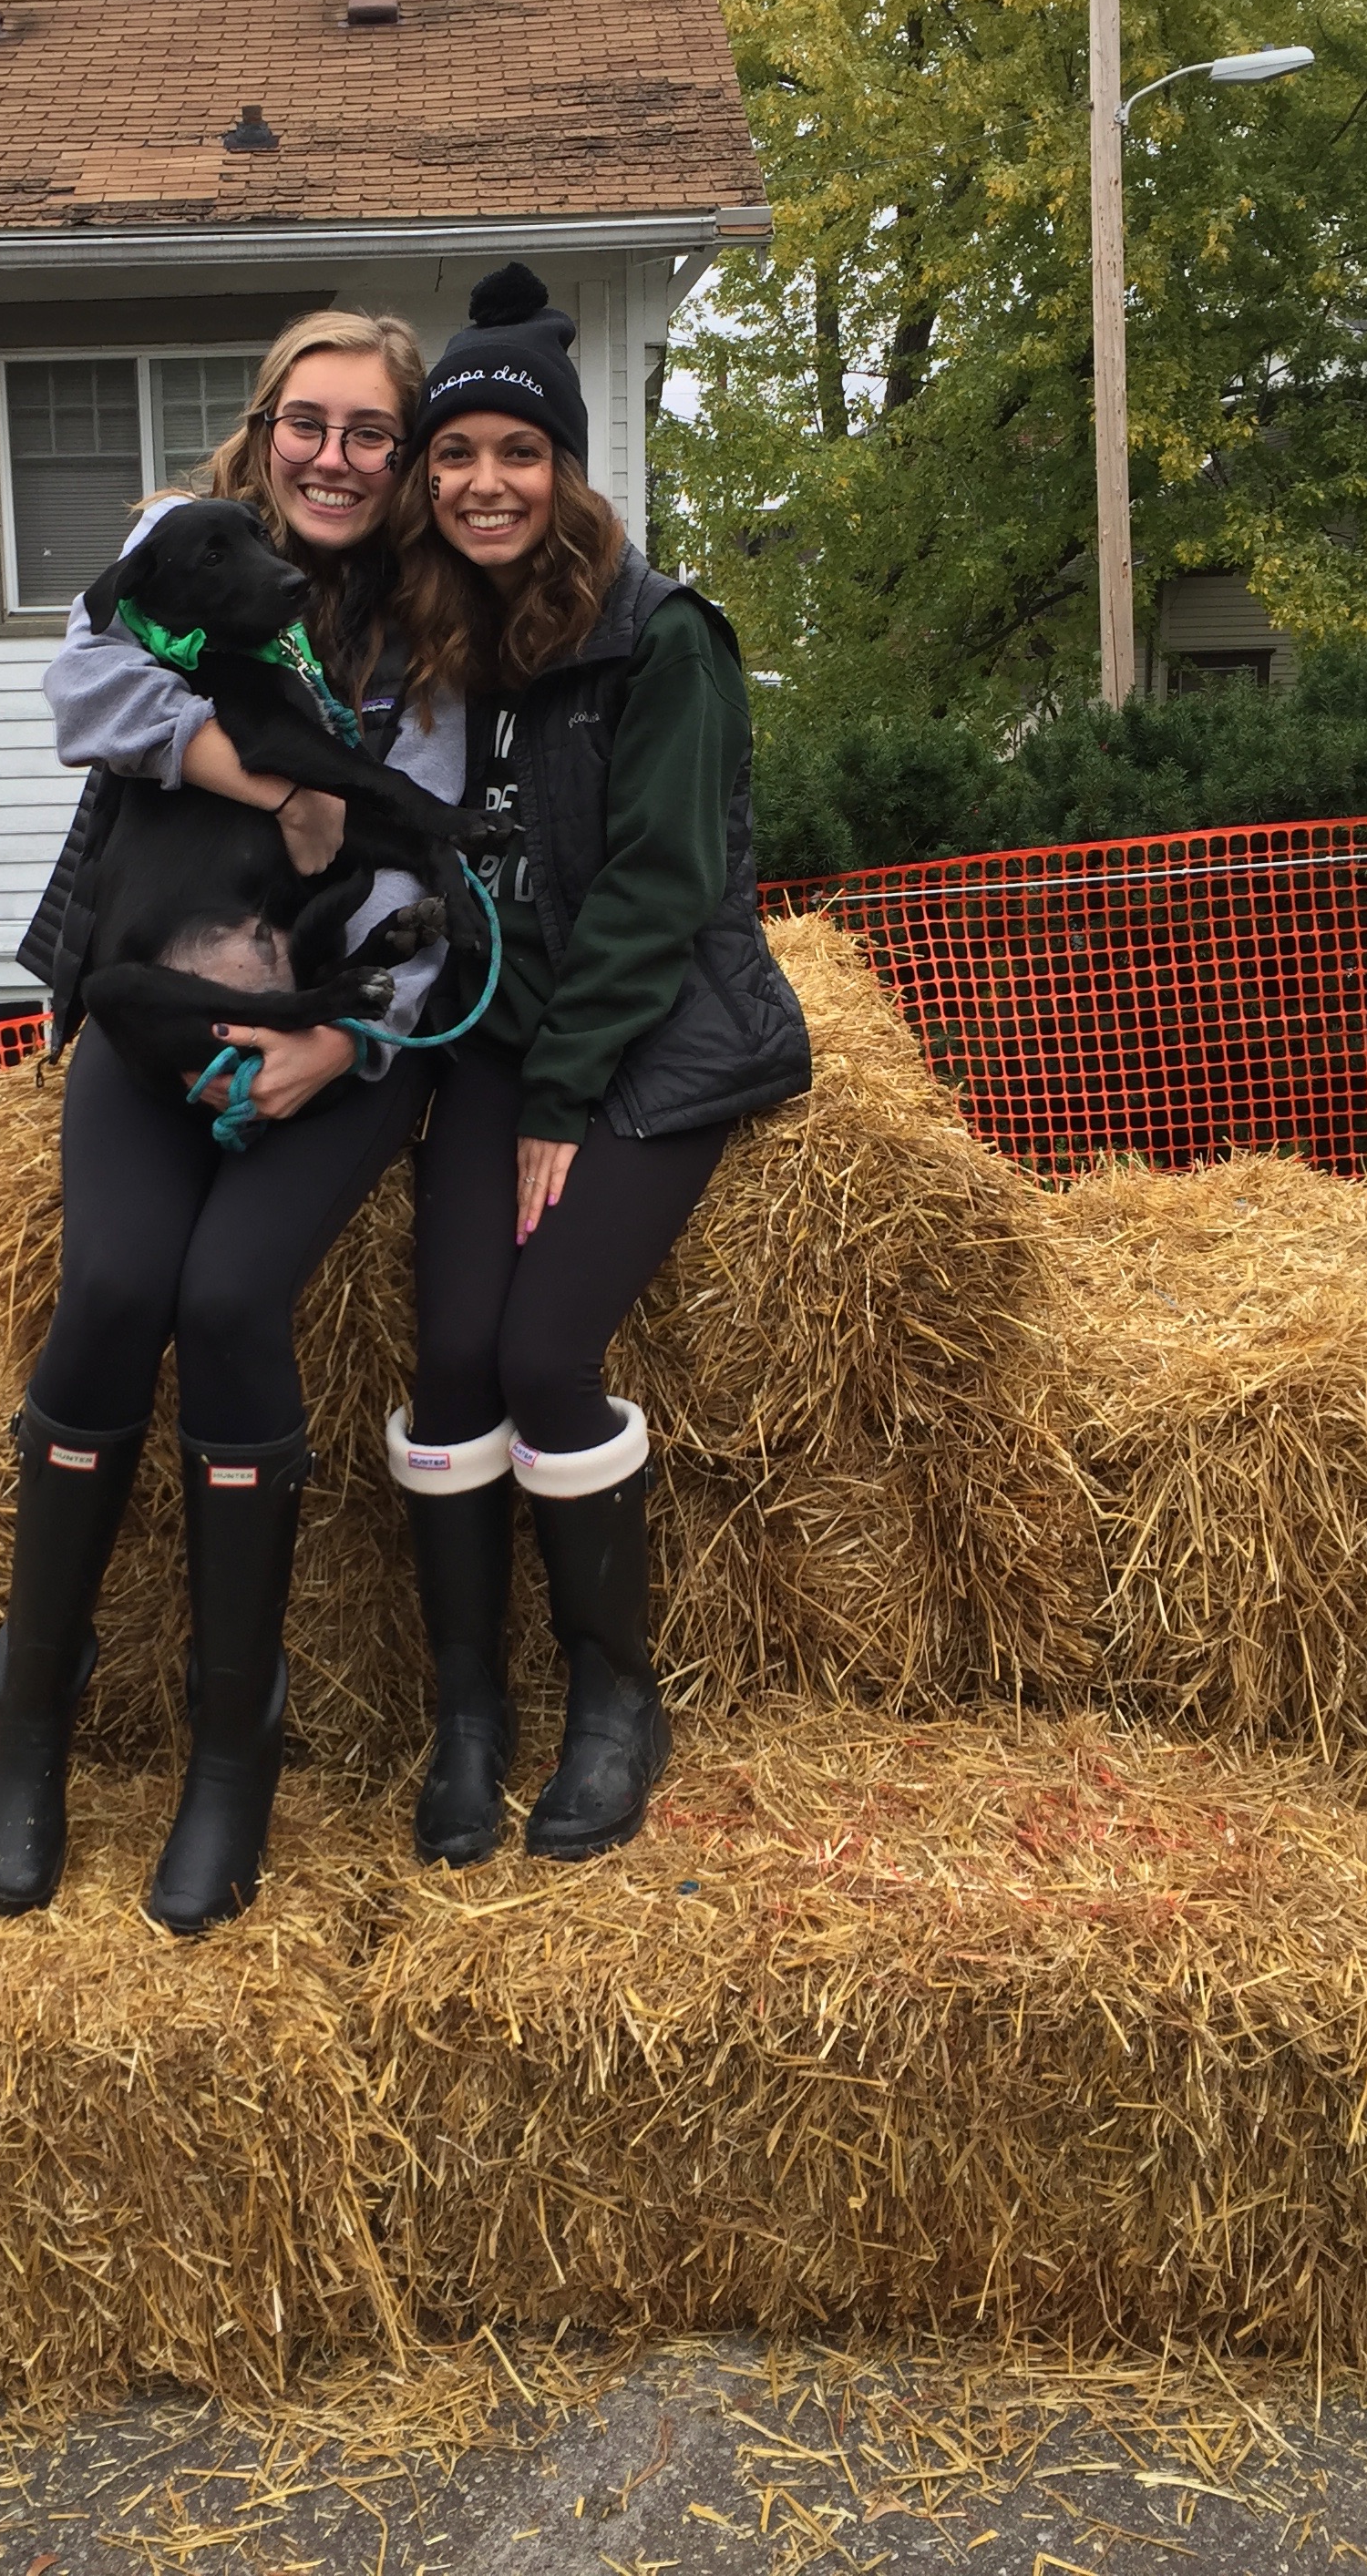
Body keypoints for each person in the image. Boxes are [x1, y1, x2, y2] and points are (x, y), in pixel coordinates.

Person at [0, 308, 459, 1936]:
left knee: (233, 1299)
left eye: (370, 433)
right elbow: (84, 692)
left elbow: (435, 858)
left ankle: (226, 1759)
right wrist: (267, 776)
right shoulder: (178, 551)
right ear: (263, 432)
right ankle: (24, 1730)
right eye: (308, 423)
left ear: (399, 461)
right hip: (151, 997)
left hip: (334, 1029)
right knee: (111, 1289)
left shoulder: (436, 626)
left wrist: (345, 1043)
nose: (336, 454)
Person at [381, 265, 811, 1871]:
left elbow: (658, 891)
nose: (485, 483)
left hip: (652, 1040)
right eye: (456, 456)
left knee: (549, 1353)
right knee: (448, 1372)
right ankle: (468, 1715)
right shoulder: (440, 638)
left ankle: (614, 1701)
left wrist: (562, 1095)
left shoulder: (661, 639)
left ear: (565, 469)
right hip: (501, 1034)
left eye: (517, 452)